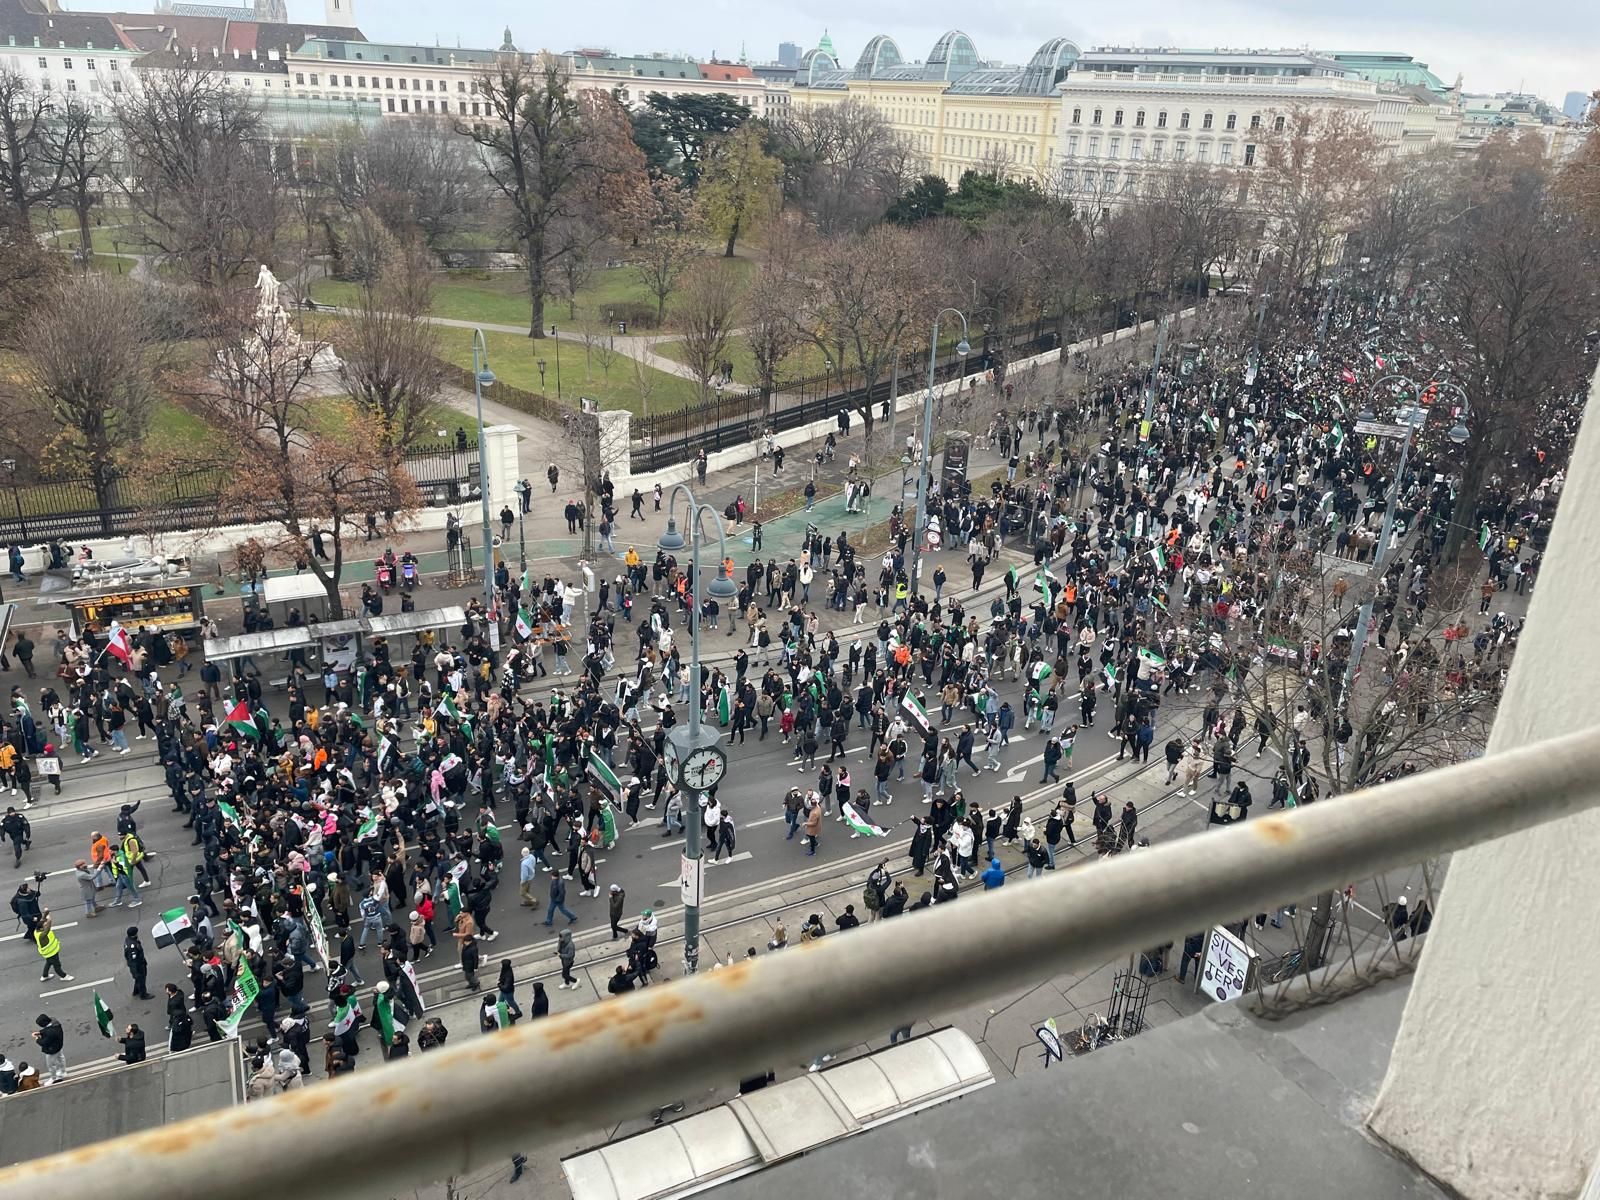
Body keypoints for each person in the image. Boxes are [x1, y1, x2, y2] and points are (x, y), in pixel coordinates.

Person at [33, 911, 70, 981]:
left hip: (48, 953)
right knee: (57, 965)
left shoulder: (37, 931)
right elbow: (48, 926)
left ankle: (45, 976)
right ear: (41, 928)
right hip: (51, 952)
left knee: (49, 962)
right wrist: (49, 919)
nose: (46, 925)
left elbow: (42, 920)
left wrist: (45, 914)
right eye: (44, 925)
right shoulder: (42, 935)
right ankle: (64, 976)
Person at [33, 1013, 66, 1083]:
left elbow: (44, 1042)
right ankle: (63, 1072)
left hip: (52, 1049)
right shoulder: (55, 1023)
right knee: (61, 1058)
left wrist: (37, 1039)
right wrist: (40, 1032)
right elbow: (47, 1029)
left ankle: (54, 1078)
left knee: (51, 1065)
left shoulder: (51, 1032)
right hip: (58, 1045)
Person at [124, 925, 153, 1000]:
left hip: (137, 964)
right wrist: (135, 971)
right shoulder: (132, 946)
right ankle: (143, 995)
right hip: (138, 966)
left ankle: (136, 991)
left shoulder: (128, 940)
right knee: (141, 979)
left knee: (138, 979)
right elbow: (133, 960)